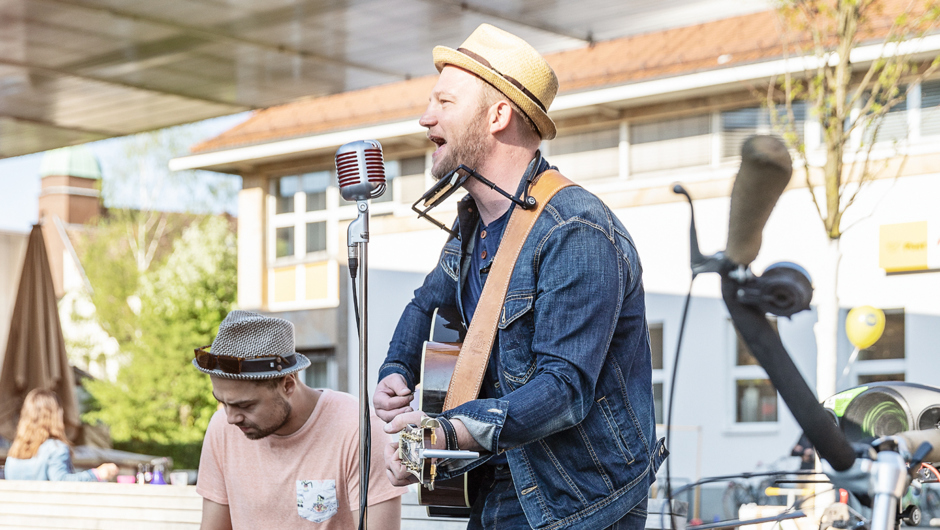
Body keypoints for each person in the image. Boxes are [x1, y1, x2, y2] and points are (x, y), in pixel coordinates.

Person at [375, 23, 665, 530]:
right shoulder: (473, 225)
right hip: (497, 479)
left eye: (445, 102)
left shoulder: (575, 230)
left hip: (580, 501)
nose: (425, 118)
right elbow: (427, 304)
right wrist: (396, 370)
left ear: (498, 115)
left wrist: (442, 435)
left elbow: (564, 387)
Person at [193, 310, 405, 530]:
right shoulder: (221, 428)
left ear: (287, 384)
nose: (230, 418)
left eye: (245, 405)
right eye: (223, 402)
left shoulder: (358, 428)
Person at [4, 388, 119, 482]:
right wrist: (97, 474)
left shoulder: (15, 451)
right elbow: (62, 480)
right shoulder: (56, 448)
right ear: (55, 416)